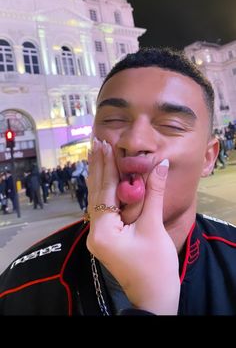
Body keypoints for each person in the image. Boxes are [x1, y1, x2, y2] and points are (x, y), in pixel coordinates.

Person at [1, 46, 236, 315]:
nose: (135, 142)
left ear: (208, 158)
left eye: (171, 125)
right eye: (113, 120)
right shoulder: (21, 290)